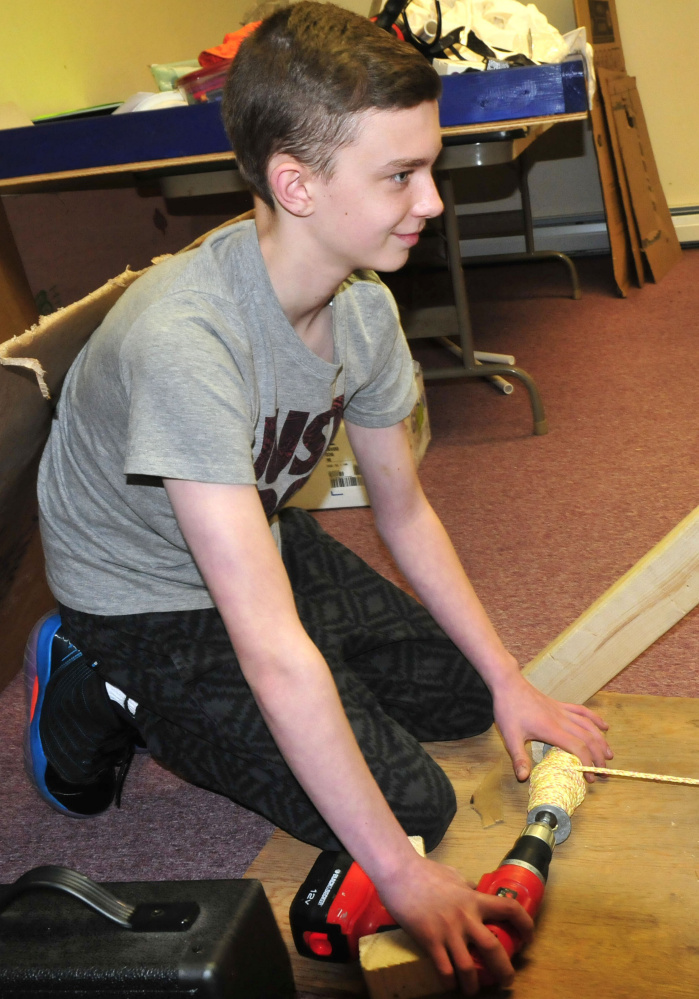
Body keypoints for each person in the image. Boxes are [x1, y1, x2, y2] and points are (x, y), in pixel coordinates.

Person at [27, 3, 612, 993]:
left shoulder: (363, 307)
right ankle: (95, 683)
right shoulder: (187, 343)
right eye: (399, 176)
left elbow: (405, 511)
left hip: (243, 536)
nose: (430, 199)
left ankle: (326, 700)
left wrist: (511, 678)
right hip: (141, 598)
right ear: (295, 183)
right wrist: (399, 873)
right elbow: (265, 642)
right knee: (409, 805)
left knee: (465, 698)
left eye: (428, 166)